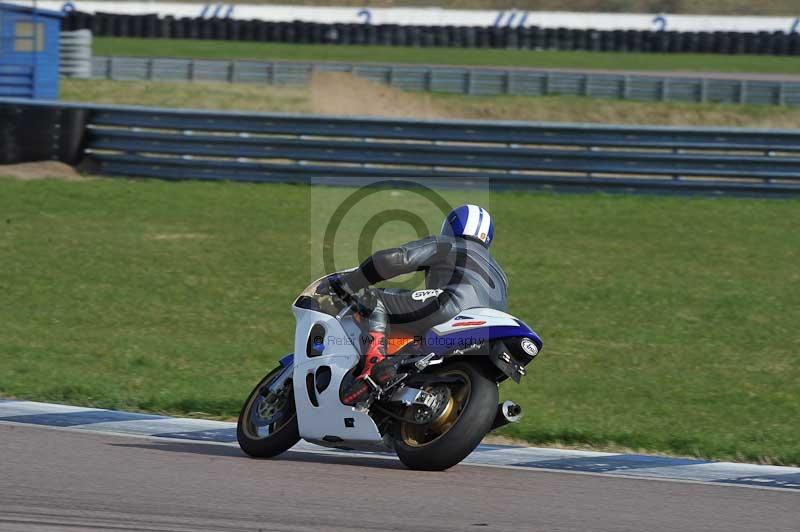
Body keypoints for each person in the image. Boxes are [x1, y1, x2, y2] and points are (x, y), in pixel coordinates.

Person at [317, 204, 508, 405]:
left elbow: (395, 260)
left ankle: (373, 365)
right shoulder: (500, 273)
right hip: (483, 331)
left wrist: (350, 283)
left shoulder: (448, 243)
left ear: (450, 226)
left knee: (373, 299)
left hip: (450, 309)